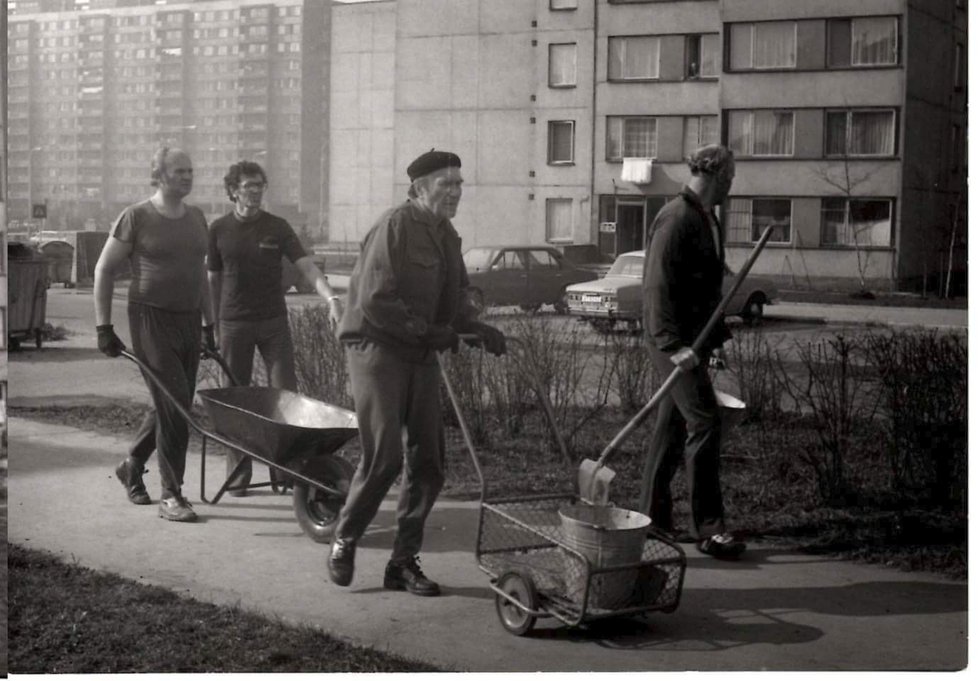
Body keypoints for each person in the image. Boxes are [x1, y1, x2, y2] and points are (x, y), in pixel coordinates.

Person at [327, 150, 506, 596]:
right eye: (447, 183)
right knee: (385, 453)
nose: (456, 191)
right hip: (377, 347)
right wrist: (430, 333)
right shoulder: (396, 226)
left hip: (418, 349)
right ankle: (345, 536)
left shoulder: (447, 235)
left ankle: (402, 563)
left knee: (429, 461)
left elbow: (458, 296)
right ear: (420, 188)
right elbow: (377, 300)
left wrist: (474, 325)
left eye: (460, 184)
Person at [207, 160, 343, 495]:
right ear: (233, 191)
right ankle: (238, 474)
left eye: (259, 186)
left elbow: (306, 266)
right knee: (235, 399)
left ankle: (284, 472)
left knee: (285, 396)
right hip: (234, 323)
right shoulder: (219, 229)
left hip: (273, 323)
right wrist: (208, 324)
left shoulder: (277, 227)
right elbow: (212, 279)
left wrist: (330, 299)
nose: (255, 192)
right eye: (248, 186)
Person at [94, 146, 215, 523]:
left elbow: (202, 276)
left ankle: (132, 465)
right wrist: (103, 327)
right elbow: (104, 270)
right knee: (177, 403)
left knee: (173, 402)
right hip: (150, 320)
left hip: (189, 321)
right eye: (179, 170)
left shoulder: (197, 217)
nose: (187, 176)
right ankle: (171, 495)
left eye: (190, 171)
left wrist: (209, 326)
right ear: (158, 175)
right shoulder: (136, 216)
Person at [639, 143, 746, 559]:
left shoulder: (706, 218)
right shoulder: (677, 217)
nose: (731, 187)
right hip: (673, 343)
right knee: (705, 422)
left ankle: (651, 520)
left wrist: (713, 344)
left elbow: (705, 291)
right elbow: (656, 287)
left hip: (692, 343)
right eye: (730, 179)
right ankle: (710, 528)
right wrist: (672, 346)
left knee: (671, 429)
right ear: (717, 175)